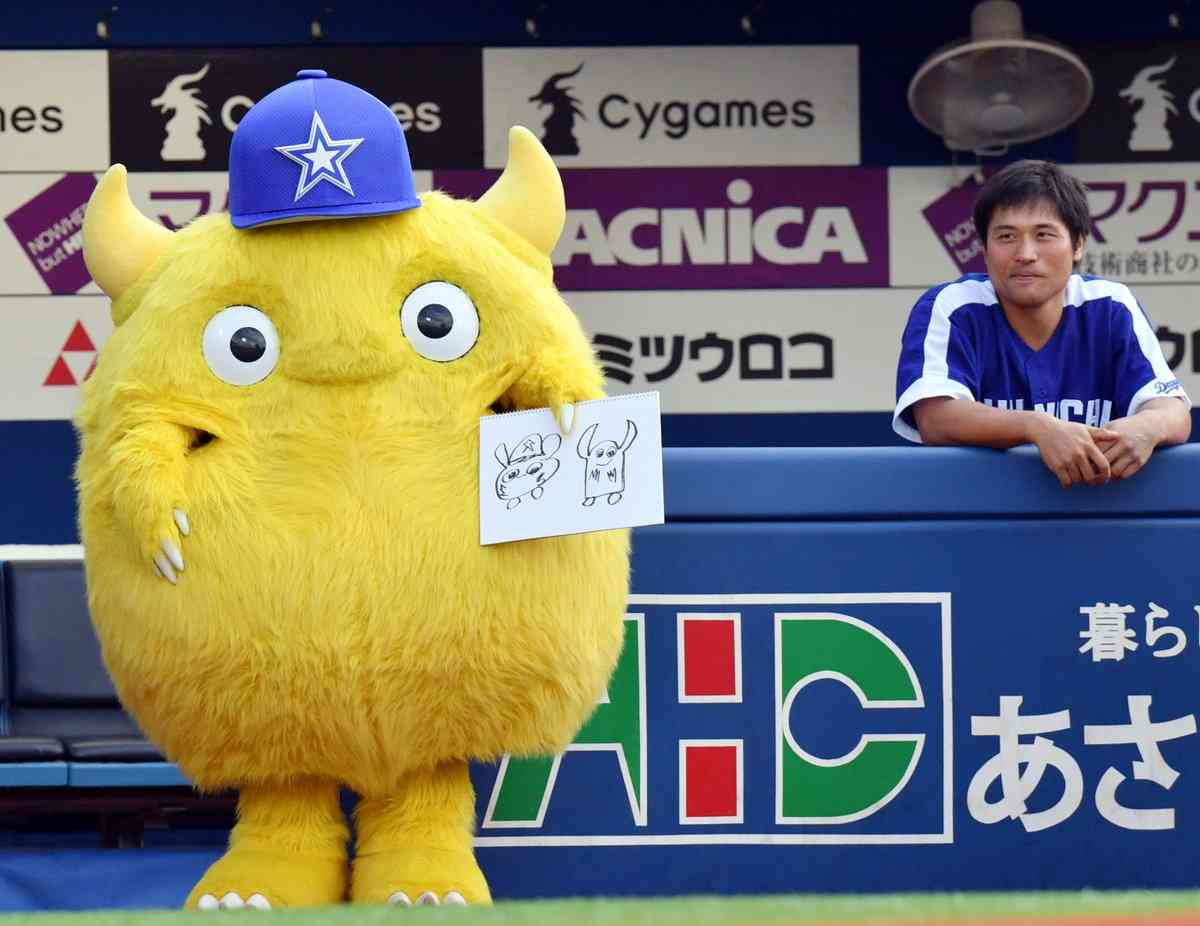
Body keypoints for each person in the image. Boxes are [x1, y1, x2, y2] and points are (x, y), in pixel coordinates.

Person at [893, 159, 1191, 488]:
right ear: (985, 249)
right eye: (1006, 236)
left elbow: (1172, 411)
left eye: (1044, 235)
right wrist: (1036, 426)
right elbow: (936, 419)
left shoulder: (1110, 306)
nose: (1026, 253)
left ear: (1078, 245)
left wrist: (1148, 427)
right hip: (982, 517)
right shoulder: (952, 307)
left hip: (1094, 517)